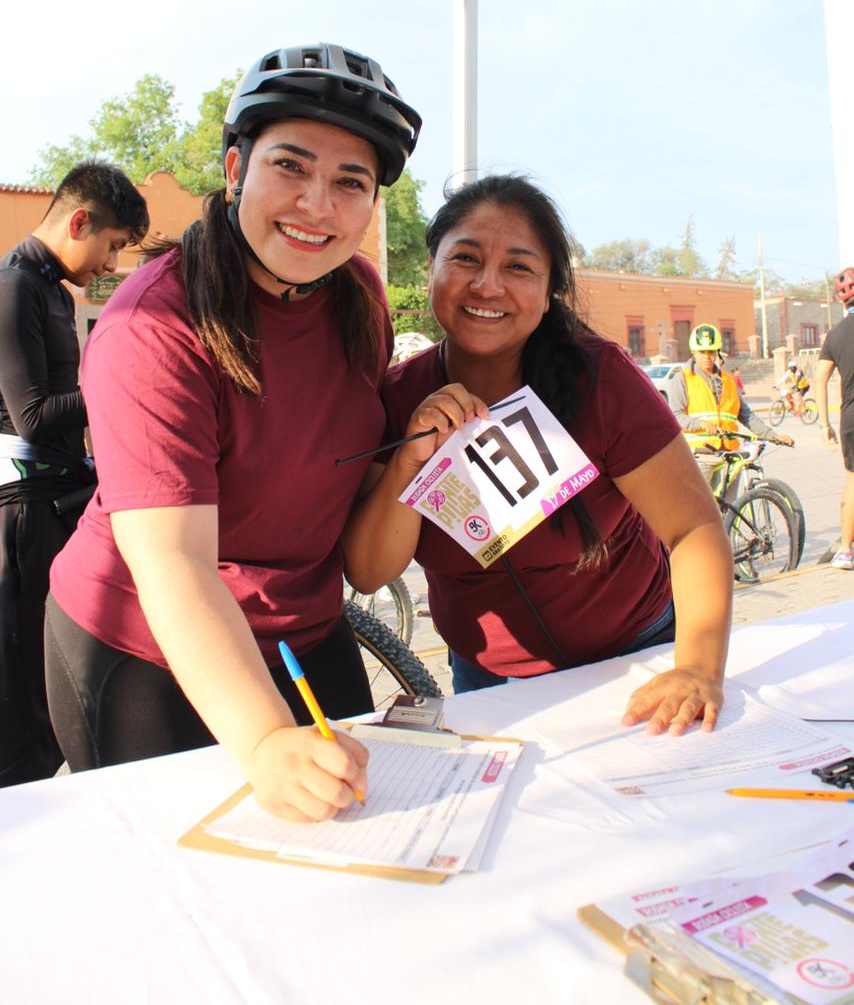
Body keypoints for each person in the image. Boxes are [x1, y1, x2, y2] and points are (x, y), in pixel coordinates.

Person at [44, 43, 422, 821]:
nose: (317, 204)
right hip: (146, 642)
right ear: (234, 169)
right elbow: (174, 563)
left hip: (304, 630)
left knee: (359, 834)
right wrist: (264, 741)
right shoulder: (153, 325)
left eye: (350, 182)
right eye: (290, 166)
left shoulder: (361, 294)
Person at [343, 176, 733, 736]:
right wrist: (410, 461)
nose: (487, 285)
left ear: (551, 289)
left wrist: (697, 668)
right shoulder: (397, 397)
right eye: (465, 258)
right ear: (432, 268)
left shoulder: (600, 380)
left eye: (519, 267)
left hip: (637, 659)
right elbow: (369, 572)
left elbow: (693, 528)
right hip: (488, 683)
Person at [0, 162, 148, 787]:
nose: (111, 265)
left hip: (64, 498)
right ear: (79, 221)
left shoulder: (55, 291)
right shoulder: (15, 286)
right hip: (25, 511)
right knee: (26, 698)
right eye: (112, 245)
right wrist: (128, 382)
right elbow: (33, 416)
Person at [672, 323, 793, 479]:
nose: (707, 356)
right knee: (699, 496)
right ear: (693, 352)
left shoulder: (728, 380)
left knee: (732, 496)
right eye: (702, 352)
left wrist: (773, 436)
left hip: (728, 455)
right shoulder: (682, 379)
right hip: (700, 456)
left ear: (717, 352)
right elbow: (675, 416)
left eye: (711, 351)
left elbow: (746, 415)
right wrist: (701, 424)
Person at [814, 266, 854, 570]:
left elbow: (819, 378)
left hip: (851, 417)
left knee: (853, 480)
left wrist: (824, 423)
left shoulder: (835, 334)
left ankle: (845, 550)